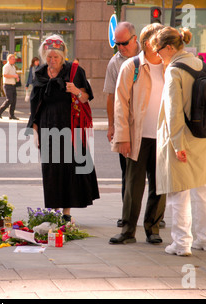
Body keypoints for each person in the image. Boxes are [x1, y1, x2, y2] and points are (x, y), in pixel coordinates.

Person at [150, 27, 206, 256]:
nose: (157, 55)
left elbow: (173, 111)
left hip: (184, 136)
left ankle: (181, 243)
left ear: (169, 48)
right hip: (205, 135)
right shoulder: (202, 65)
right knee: (204, 188)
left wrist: (176, 145)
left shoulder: (174, 70)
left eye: (158, 50)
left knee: (178, 191)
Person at [26, 34, 99, 222]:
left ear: (63, 55)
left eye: (55, 57)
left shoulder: (75, 71)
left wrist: (75, 90)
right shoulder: (40, 73)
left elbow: (86, 97)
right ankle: (53, 210)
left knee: (69, 169)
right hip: (47, 126)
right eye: (48, 57)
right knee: (50, 169)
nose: (52, 61)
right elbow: (35, 104)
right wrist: (35, 132)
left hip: (70, 126)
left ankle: (66, 213)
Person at [109, 23, 166, 245]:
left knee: (159, 185)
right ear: (146, 43)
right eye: (158, 41)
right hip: (137, 136)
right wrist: (122, 137)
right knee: (133, 186)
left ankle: (152, 228)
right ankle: (128, 230)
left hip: (162, 136)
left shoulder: (169, 67)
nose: (162, 45)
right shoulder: (131, 67)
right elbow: (120, 104)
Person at [103, 22, 141, 227]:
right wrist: (111, 126)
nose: (120, 47)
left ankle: (154, 217)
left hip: (148, 123)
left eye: (124, 43)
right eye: (117, 44)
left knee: (152, 171)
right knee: (127, 171)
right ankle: (127, 214)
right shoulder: (114, 63)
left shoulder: (150, 57)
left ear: (135, 39)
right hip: (125, 124)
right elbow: (110, 97)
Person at [0, 54, 20, 120]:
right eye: (13, 59)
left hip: (13, 85)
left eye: (14, 59)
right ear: (9, 59)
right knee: (9, 100)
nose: (14, 60)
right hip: (7, 85)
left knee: (14, 100)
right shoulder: (6, 66)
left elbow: (13, 75)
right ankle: (0, 111)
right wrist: (14, 76)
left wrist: (16, 78)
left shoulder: (13, 67)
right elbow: (5, 75)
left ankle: (11, 115)